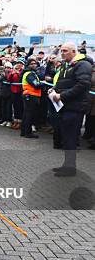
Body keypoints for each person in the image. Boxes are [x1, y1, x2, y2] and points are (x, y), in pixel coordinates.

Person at [50, 42, 92, 176]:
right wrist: (54, 90)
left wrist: (61, 95)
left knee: (70, 138)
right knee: (66, 137)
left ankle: (70, 168)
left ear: (74, 51)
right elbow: (62, 83)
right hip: (66, 107)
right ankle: (67, 165)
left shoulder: (83, 64)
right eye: (61, 50)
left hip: (75, 107)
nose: (62, 53)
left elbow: (83, 84)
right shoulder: (65, 65)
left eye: (65, 51)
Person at [20, 58, 42, 139]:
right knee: (29, 115)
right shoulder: (29, 74)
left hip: (29, 95)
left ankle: (23, 131)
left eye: (35, 63)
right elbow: (36, 85)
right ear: (28, 65)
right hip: (31, 96)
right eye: (32, 64)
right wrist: (42, 84)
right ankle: (28, 132)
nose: (34, 65)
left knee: (26, 114)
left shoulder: (30, 73)